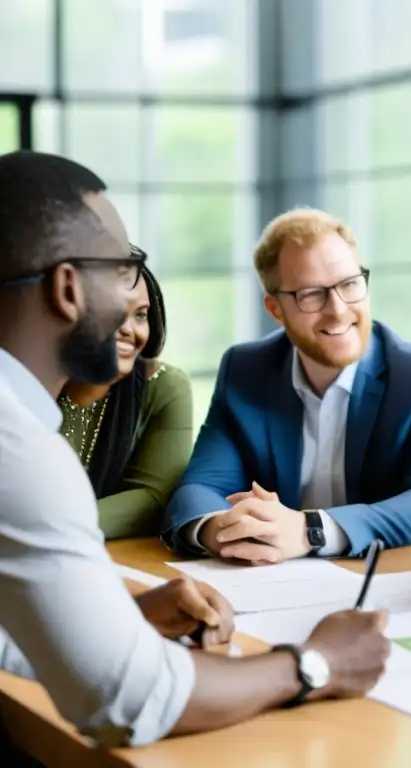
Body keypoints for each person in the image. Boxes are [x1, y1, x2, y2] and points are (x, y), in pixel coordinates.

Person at [0, 150, 390, 751]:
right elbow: (132, 702)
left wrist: (120, 619)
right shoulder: (19, 450)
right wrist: (316, 663)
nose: (136, 300)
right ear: (69, 288)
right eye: (121, 265)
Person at [162, 207, 411, 563]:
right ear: (275, 309)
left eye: (350, 284)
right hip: (290, 586)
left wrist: (308, 530)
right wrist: (222, 528)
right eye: (312, 294)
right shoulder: (245, 370)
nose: (339, 310)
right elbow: (200, 488)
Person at [59, 261, 192, 539]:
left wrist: (56, 529)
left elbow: (152, 498)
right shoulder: (23, 382)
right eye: (112, 312)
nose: (129, 329)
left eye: (140, 315)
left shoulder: (165, 385)